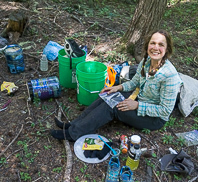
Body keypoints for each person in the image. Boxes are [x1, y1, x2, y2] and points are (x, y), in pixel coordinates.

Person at [51, 29, 183, 142]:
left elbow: (165, 111)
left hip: (153, 118)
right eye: (152, 43)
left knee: (113, 106)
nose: (155, 47)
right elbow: (134, 82)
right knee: (108, 95)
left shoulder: (170, 76)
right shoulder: (146, 61)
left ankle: (73, 134)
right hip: (140, 98)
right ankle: (72, 125)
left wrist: (137, 105)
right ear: (147, 45)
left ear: (167, 49)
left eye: (161, 44)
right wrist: (117, 87)